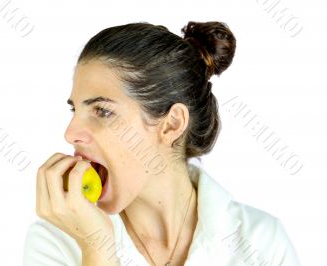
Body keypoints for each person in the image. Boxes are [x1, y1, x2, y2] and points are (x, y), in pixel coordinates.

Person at [23, 21, 301, 266]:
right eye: (75, 110)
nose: (70, 133)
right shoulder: (55, 242)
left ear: (172, 124)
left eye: (102, 111)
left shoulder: (263, 242)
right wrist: (97, 247)